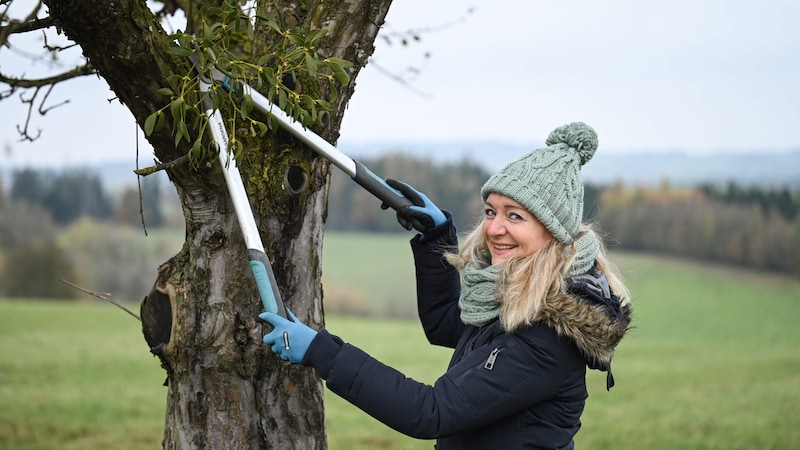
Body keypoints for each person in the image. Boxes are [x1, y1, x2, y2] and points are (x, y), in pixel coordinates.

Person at [260, 122, 632, 449]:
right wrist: (436, 238)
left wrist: (321, 351)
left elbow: (431, 412)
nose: (493, 228)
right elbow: (445, 324)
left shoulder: (548, 338)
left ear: (553, 234)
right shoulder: (515, 295)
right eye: (491, 211)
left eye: (514, 216)